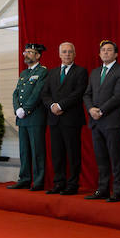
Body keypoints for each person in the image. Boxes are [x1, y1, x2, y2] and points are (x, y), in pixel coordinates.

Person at [83, 40, 120, 202]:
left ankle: (117, 191)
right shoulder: (95, 72)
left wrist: (101, 110)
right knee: (100, 157)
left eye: (109, 50)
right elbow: (86, 94)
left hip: (111, 121)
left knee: (115, 157)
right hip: (95, 122)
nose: (105, 52)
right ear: (99, 54)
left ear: (116, 54)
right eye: (103, 50)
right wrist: (90, 109)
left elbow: (118, 96)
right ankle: (102, 189)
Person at [40, 42, 88, 195]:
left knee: (73, 153)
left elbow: (78, 92)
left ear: (74, 54)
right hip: (54, 119)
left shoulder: (81, 71)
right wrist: (52, 105)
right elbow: (44, 93)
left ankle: (73, 184)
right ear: (59, 54)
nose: (67, 54)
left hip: (71, 119)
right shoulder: (52, 73)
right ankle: (58, 183)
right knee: (57, 153)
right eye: (64, 52)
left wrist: (61, 106)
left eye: (70, 52)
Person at [8, 43, 49, 191]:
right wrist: (17, 108)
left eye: (30, 52)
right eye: (25, 52)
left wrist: (25, 109)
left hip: (35, 117)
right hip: (22, 117)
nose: (26, 54)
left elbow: (37, 93)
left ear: (38, 55)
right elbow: (16, 93)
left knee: (37, 150)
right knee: (24, 150)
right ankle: (24, 178)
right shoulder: (24, 74)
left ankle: (38, 181)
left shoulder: (43, 72)